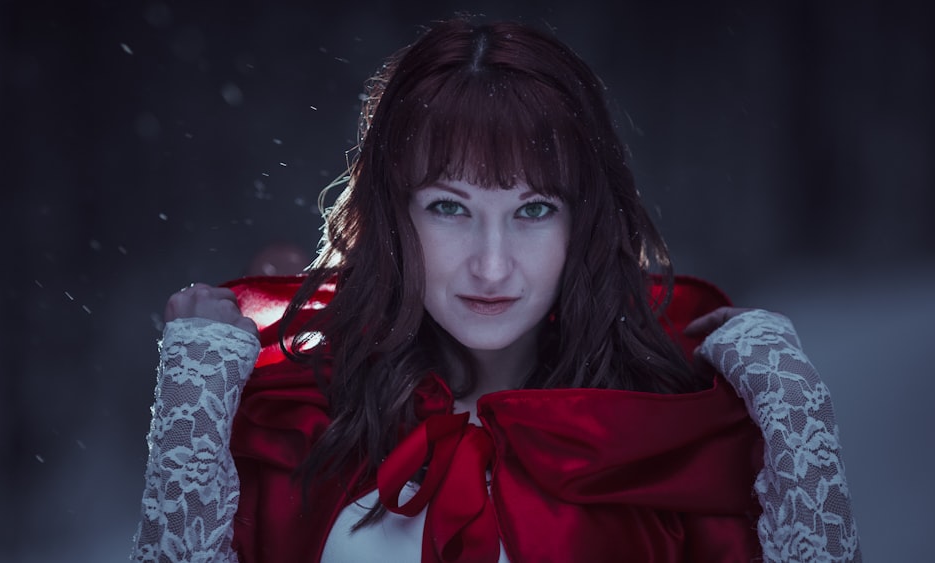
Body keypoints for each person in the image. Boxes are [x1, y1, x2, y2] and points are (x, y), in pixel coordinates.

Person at [132, 18, 861, 562]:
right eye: (449, 207)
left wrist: (787, 400)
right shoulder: (302, 426)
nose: (491, 265)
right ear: (394, 216)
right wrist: (195, 401)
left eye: (533, 210)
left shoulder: (668, 438)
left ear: (585, 222)